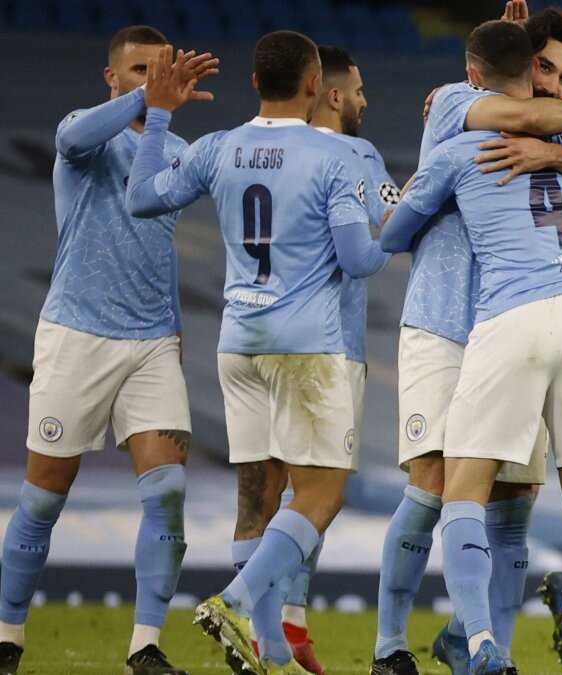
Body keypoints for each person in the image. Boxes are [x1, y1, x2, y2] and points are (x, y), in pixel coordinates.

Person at [372, 10, 562, 675]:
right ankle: (395, 647)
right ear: (527, 65)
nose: (556, 86)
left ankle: (483, 645)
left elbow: (391, 234)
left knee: (487, 495)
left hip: (508, 319)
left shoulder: (501, 139)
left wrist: (391, 205)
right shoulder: (469, 108)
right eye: (547, 68)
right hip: (500, 317)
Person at [125, 31, 389, 674]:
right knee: (321, 495)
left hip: (238, 342)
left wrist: (157, 116)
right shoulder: (337, 156)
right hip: (307, 347)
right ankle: (236, 601)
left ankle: (270, 651)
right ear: (313, 85)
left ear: (254, 84)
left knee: (257, 499)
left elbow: (141, 197)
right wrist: (393, 232)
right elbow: (358, 261)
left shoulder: (217, 147)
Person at [0, 26, 216, 675]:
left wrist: (174, 324)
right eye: (139, 71)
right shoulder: (84, 134)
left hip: (151, 343)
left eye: (159, 70)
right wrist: (151, 99)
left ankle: (144, 647)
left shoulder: (174, 151)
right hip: (77, 334)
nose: (151, 80)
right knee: (45, 495)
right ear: (111, 78)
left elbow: (161, 244)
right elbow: (71, 140)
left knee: (168, 491)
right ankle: (7, 636)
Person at [258, 44, 398, 675]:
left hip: (256, 336)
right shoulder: (356, 156)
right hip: (330, 346)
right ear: (334, 94)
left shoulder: (264, 147)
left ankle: (285, 623)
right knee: (319, 493)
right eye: (359, 90)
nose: (366, 100)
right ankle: (268, 618)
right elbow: (393, 218)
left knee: (277, 490)